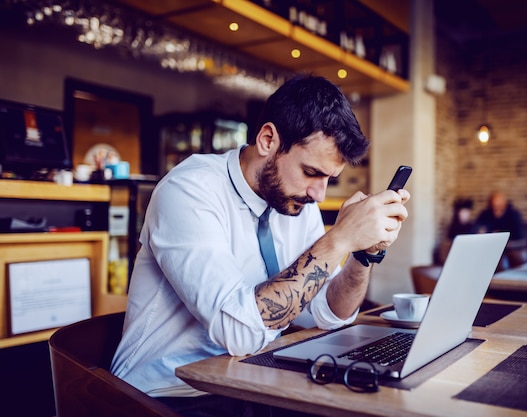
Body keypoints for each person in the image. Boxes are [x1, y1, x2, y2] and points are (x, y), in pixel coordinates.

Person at [110, 74, 410, 417]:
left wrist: (361, 254)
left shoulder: (296, 201)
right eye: (312, 172)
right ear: (268, 139)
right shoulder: (189, 191)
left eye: (329, 178)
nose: (320, 194)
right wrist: (339, 237)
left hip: (251, 381)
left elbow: (330, 314)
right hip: (166, 394)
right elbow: (240, 333)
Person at [474, 191, 527, 270]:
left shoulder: (513, 215)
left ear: (504, 204)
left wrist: (501, 238)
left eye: (499, 206)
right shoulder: (485, 214)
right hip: (490, 248)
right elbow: (477, 229)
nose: (496, 209)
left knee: (513, 256)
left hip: (511, 248)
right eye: (493, 206)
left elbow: (519, 237)